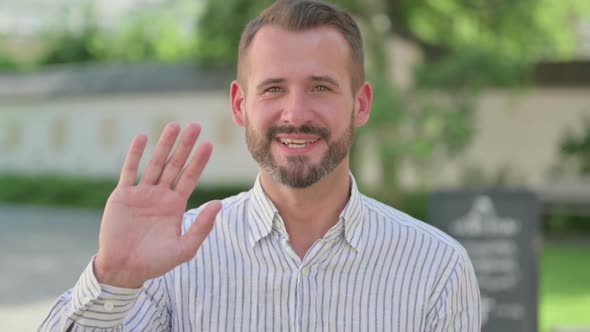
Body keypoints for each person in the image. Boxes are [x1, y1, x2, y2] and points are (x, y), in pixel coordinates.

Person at [39, 0, 481, 331]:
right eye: (273, 89)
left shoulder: (436, 268)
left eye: (321, 87)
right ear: (240, 105)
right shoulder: (171, 260)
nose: (295, 113)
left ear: (360, 104)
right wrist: (114, 276)